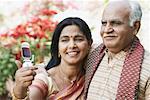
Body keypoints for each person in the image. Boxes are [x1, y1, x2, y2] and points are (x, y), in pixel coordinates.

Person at [12, 17, 93, 100]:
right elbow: (34, 93)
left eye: (78, 39)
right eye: (65, 40)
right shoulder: (44, 79)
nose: (72, 45)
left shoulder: (91, 78)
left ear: (89, 44)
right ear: (57, 47)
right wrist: (20, 92)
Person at [84, 1, 150, 100]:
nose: (107, 30)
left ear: (136, 27)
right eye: (104, 23)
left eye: (116, 23)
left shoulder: (147, 66)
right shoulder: (92, 54)